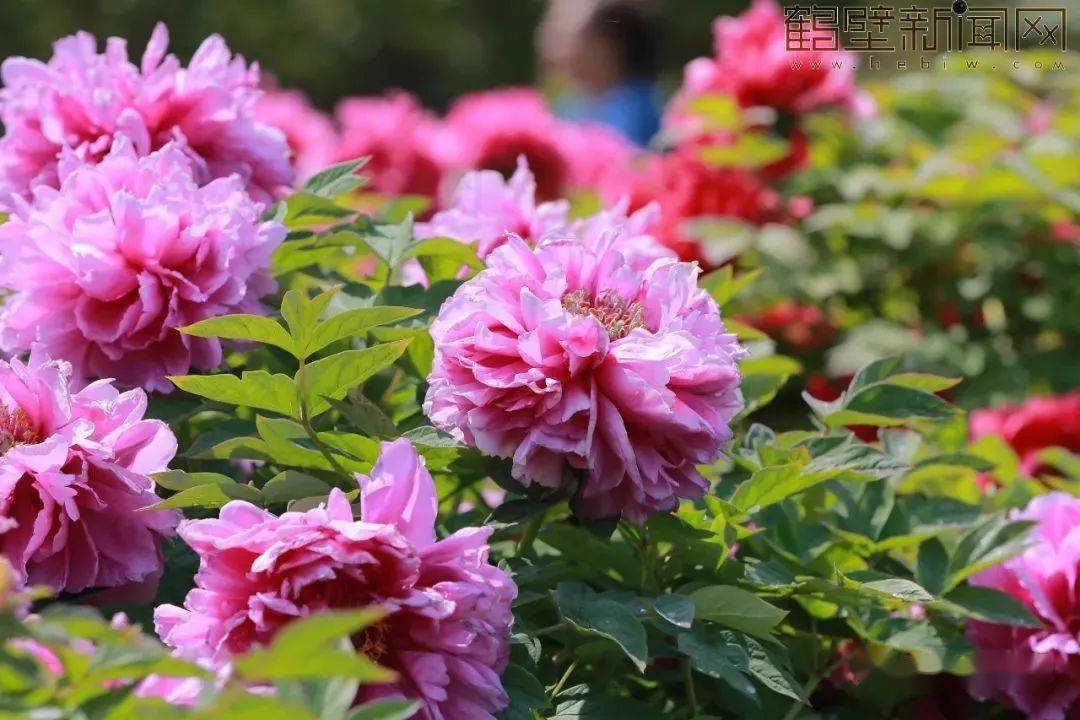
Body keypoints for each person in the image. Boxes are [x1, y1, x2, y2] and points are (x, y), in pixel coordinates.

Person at [538, 0, 661, 146]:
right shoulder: (568, 105)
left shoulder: (637, 108)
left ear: (607, 43)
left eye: (561, 31)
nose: (547, 41)